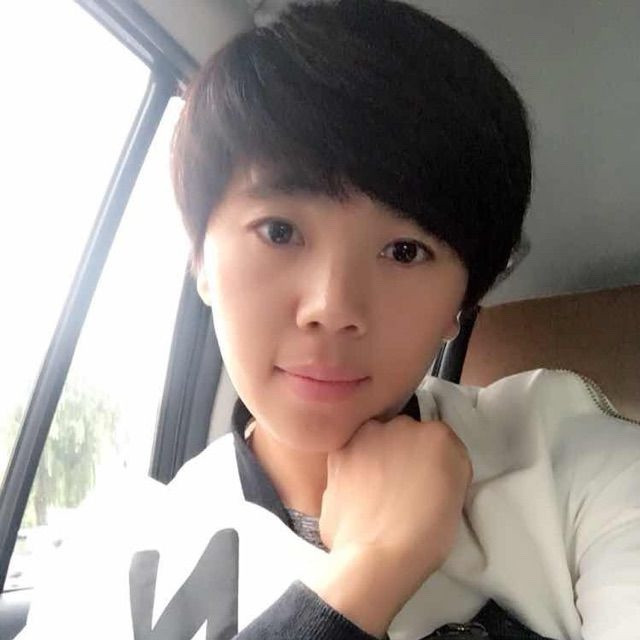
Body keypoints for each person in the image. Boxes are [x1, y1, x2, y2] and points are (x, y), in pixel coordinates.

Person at [18, 1, 640, 639]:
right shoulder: (108, 559)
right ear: (201, 259)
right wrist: (372, 570)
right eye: (279, 231)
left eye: (405, 251)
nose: (332, 308)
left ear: (460, 303)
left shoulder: (566, 462)